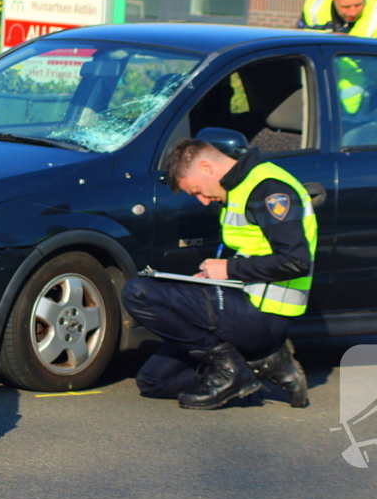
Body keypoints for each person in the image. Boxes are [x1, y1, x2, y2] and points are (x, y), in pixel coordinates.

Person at [121, 139, 315, 411]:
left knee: (138, 292)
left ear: (206, 167)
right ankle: (258, 366)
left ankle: (228, 369)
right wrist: (212, 279)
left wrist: (227, 269)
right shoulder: (238, 187)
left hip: (264, 314)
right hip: (241, 301)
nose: (202, 200)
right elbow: (251, 250)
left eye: (198, 190)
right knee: (154, 381)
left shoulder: (268, 188)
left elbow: (295, 261)